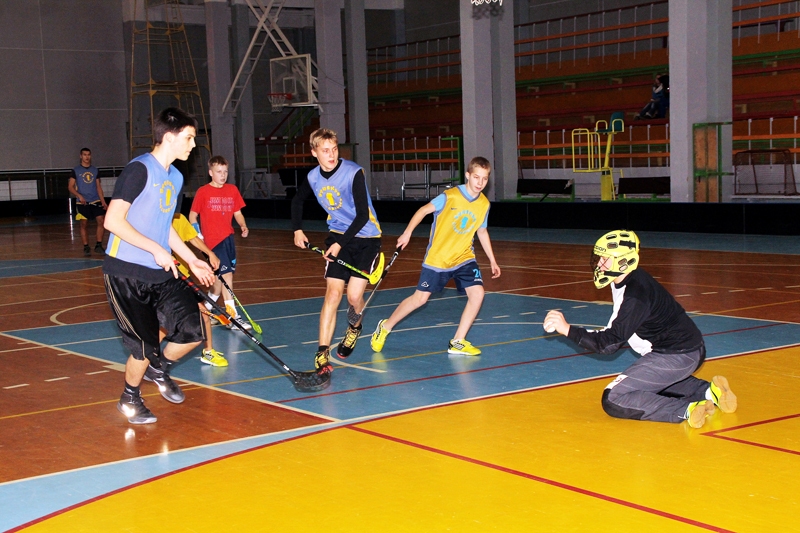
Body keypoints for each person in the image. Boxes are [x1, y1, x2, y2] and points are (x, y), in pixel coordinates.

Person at [542, 229, 737, 429]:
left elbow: (609, 345)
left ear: (623, 262)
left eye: (604, 259)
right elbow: (616, 326)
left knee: (614, 398)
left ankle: (685, 409)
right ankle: (710, 392)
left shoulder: (635, 295)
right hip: (686, 350)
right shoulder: (627, 278)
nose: (599, 263)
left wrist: (567, 329)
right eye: (598, 257)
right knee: (648, 385)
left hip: (675, 356)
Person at [103, 107, 215, 425]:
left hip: (161, 272)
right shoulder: (139, 170)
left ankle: (157, 367)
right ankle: (130, 398)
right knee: (143, 345)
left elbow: (164, 224)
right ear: (169, 137)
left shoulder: (176, 177)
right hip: (125, 272)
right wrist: (155, 249)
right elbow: (113, 220)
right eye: (189, 138)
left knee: (193, 331)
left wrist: (191, 258)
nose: (193, 145)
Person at [371, 156, 501, 356]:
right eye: (476, 177)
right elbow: (423, 210)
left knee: (478, 293)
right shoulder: (450, 196)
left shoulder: (484, 204)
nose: (480, 183)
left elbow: (482, 232)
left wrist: (492, 259)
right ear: (467, 175)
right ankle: (385, 326)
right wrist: (407, 232)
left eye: (484, 179)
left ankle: (458, 341)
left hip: (464, 257)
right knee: (420, 300)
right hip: (438, 258)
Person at [292, 128, 382, 370]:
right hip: (339, 236)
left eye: (334, 150)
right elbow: (297, 200)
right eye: (325, 151)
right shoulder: (312, 177)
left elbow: (363, 215)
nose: (331, 155)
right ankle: (322, 352)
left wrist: (339, 244)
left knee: (353, 297)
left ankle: (355, 327)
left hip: (366, 238)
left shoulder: (353, 173)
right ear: (314, 153)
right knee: (332, 294)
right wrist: (297, 229)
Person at [189, 155, 251, 331]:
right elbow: (192, 215)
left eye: (225, 172)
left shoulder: (232, 190)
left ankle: (206, 309)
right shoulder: (203, 192)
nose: (222, 175)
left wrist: (243, 225)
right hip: (213, 242)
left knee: (219, 281)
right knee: (227, 276)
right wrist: (197, 233)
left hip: (228, 239)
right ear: (210, 173)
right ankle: (232, 316)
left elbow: (237, 213)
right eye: (218, 172)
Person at [170, 212, 228, 367]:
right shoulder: (152, 220)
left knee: (203, 314)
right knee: (163, 325)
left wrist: (210, 253)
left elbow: (193, 237)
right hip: (167, 277)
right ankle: (149, 356)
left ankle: (208, 352)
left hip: (182, 276)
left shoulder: (178, 218)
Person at [68, 148, 107, 256]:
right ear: (81, 156)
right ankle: (86, 246)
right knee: (84, 224)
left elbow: (98, 186)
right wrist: (79, 195)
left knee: (101, 221)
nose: (87, 157)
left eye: (88, 154)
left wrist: (103, 201)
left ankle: (98, 245)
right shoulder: (75, 170)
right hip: (82, 202)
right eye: (84, 154)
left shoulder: (95, 170)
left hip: (95, 199)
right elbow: (70, 187)